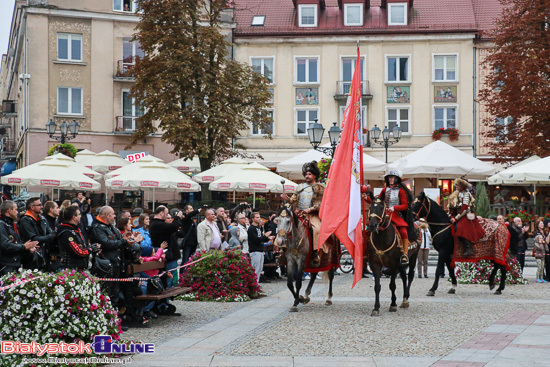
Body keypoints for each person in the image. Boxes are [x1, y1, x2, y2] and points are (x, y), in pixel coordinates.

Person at [89, 206, 134, 309]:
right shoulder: (98, 228)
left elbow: (118, 239)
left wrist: (126, 240)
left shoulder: (111, 227)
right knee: (106, 292)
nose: (115, 216)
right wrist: (123, 242)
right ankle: (107, 318)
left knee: (115, 293)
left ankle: (114, 318)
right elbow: (106, 243)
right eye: (113, 214)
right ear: (107, 215)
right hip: (106, 265)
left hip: (116, 263)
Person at [284, 161, 325, 266]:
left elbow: (321, 203)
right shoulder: (300, 187)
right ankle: (282, 250)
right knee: (285, 226)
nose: (307, 176)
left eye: (309, 174)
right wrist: (287, 199)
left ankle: (315, 253)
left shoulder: (320, 187)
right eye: (306, 174)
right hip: (299, 214)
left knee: (317, 229)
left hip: (312, 215)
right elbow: (294, 200)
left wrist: (310, 209)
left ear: (314, 175)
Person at [375, 170, 415, 265]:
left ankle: (405, 254)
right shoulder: (384, 190)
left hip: (396, 215)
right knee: (372, 228)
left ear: (396, 179)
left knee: (403, 232)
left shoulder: (401, 191)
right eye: (389, 177)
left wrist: (395, 207)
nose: (391, 179)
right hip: (385, 215)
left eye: (392, 177)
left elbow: (405, 205)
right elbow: (378, 201)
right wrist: (367, 198)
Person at [0, 200, 39, 275]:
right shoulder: (2, 225)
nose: (17, 212)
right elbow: (5, 246)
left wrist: (28, 249)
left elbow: (15, 244)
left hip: (15, 265)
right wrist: (24, 246)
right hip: (6, 266)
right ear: (9, 210)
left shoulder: (11, 225)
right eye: (16, 209)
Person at [149, 206, 184, 287]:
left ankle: (166, 298)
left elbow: (178, 230)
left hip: (169, 254)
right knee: (167, 280)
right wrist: (177, 217)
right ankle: (165, 299)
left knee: (169, 279)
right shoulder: (156, 224)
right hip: (167, 255)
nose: (167, 215)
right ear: (161, 213)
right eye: (166, 213)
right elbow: (174, 227)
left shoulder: (158, 223)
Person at [449, 178, 485, 257]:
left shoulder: (466, 194)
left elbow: (464, 208)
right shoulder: (457, 193)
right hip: (457, 213)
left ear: (462, 186)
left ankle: (469, 248)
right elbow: (454, 205)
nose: (456, 186)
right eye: (456, 185)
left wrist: (456, 218)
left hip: (465, 214)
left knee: (460, 227)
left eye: (458, 185)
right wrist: (451, 215)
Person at [18, 197, 57, 271]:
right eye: (39, 205)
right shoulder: (25, 220)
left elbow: (50, 232)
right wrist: (52, 235)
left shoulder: (42, 219)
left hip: (44, 255)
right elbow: (34, 239)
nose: (42, 207)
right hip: (31, 256)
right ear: (32, 207)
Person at [57, 205, 94, 271]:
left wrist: (91, 247)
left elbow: (83, 245)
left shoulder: (76, 229)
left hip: (79, 267)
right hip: (70, 269)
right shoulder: (66, 232)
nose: (81, 216)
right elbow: (78, 252)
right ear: (74, 217)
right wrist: (90, 250)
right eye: (79, 214)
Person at [248, 212, 274, 283]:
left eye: (259, 217)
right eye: (257, 217)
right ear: (252, 219)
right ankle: (253, 285)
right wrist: (265, 236)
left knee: (259, 269)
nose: (259, 219)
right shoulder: (251, 228)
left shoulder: (258, 228)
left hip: (260, 250)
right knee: (255, 269)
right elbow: (255, 240)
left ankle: (256, 284)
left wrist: (267, 238)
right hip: (254, 250)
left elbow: (261, 239)